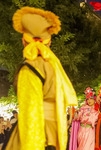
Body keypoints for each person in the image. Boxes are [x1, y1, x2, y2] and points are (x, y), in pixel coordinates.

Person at [3, 7, 78, 150]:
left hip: (38, 140)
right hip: (55, 136)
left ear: (24, 42)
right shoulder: (55, 67)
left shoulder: (30, 69)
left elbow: (31, 116)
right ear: (49, 43)